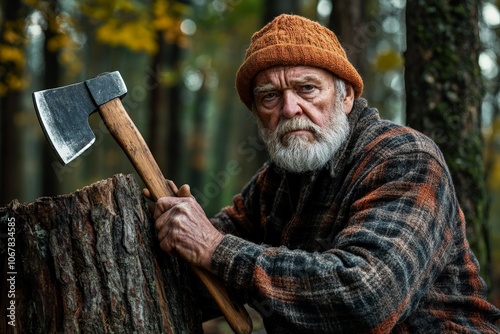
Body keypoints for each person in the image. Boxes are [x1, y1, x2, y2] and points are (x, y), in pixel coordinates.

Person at [150, 14, 500, 333]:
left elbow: (366, 297)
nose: (289, 109)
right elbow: (197, 280)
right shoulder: (273, 185)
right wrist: (169, 229)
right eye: (269, 96)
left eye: (307, 88)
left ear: (345, 96)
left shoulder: (406, 159)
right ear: (257, 112)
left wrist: (215, 248)